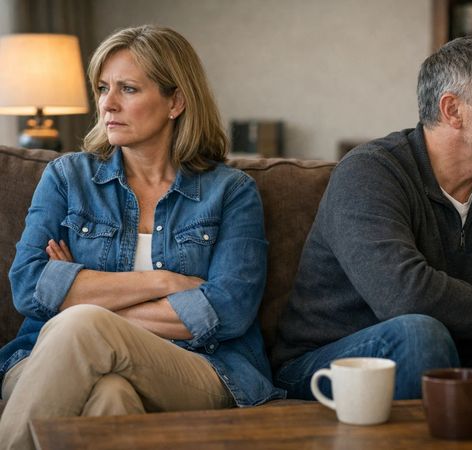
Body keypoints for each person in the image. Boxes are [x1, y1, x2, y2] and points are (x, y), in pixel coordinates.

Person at [273, 36, 472, 419]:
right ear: (452, 110)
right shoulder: (370, 172)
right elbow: (403, 297)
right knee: (418, 335)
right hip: (343, 360)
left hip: (466, 354)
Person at [0, 25, 284, 450]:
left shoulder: (231, 192)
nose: (108, 104)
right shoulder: (67, 177)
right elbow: (28, 286)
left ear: (176, 102)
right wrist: (163, 282)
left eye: (128, 89)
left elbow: (228, 310)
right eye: (103, 88)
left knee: (82, 323)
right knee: (111, 394)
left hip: (196, 365)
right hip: (46, 359)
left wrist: (81, 299)